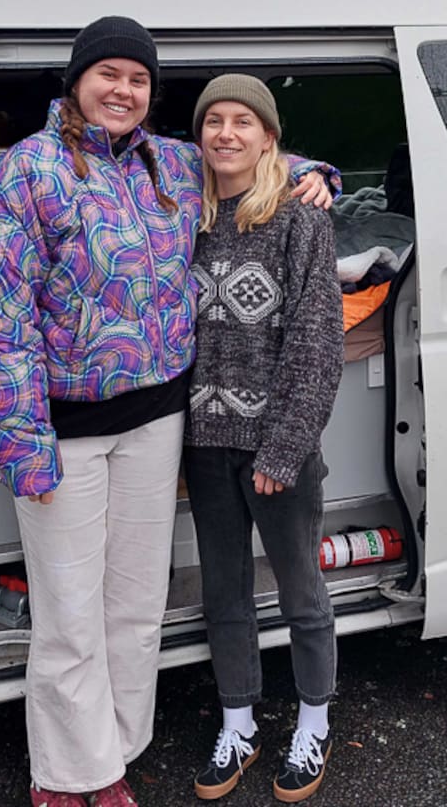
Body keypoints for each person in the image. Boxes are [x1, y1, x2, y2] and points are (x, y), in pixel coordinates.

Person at [0, 18, 336, 807]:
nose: (123, 91)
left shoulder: (168, 165)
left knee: (135, 605)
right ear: (77, 83)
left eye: (137, 79)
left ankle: (116, 755)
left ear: (149, 95)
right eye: (109, 76)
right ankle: (68, 777)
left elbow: (250, 154)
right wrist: (22, 445)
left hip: (163, 422)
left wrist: (316, 172)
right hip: (67, 432)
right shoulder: (25, 174)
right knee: (69, 614)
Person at [182, 75, 346, 803]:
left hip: (277, 448)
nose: (225, 134)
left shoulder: (299, 217)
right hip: (206, 444)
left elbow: (317, 342)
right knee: (225, 594)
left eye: (242, 121)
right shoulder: (185, 212)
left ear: (268, 137)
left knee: (302, 592)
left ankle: (314, 722)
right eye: (213, 121)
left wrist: (283, 448)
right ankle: (239, 723)